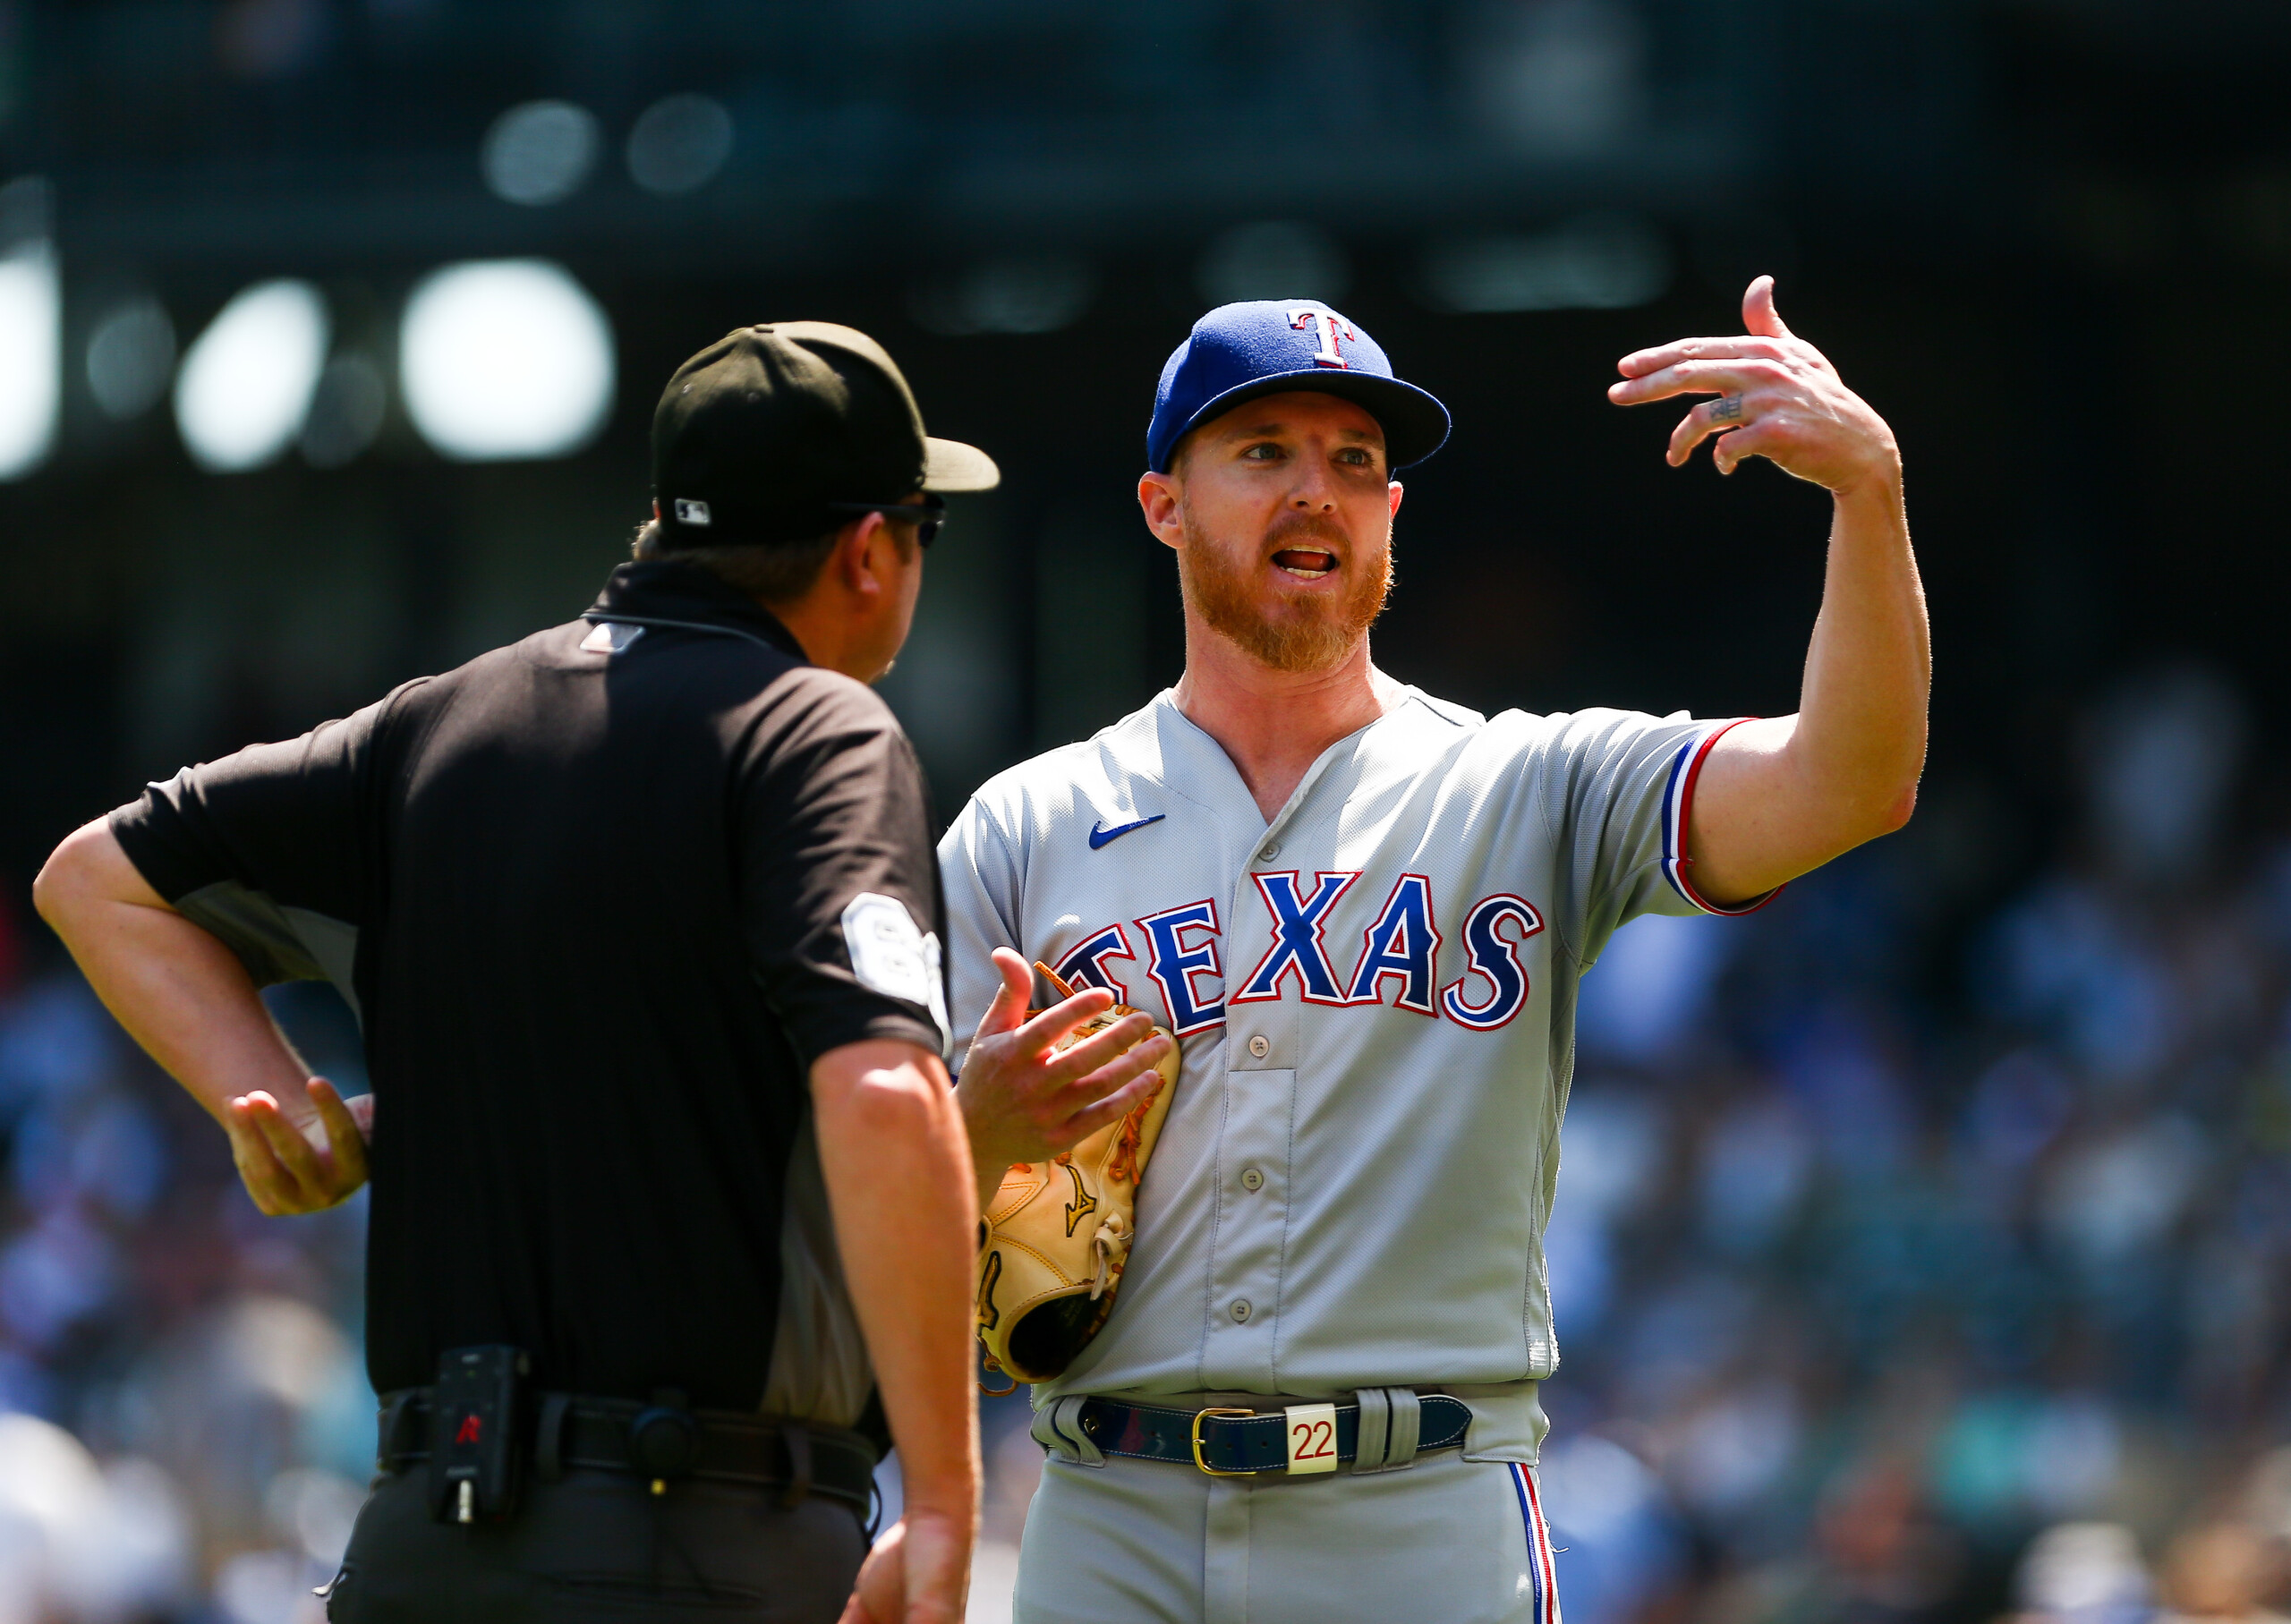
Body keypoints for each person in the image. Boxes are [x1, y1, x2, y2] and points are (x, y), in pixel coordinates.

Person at [940, 282, 1928, 1622]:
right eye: (1265, 452)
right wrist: (973, 1130)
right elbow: (883, 1206)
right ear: (1164, 505)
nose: (1318, 492)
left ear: (1392, 515)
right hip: (1116, 1514)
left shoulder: (1528, 783)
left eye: (1356, 462)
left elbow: (1849, 779)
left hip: (1422, 1513)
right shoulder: (1029, 823)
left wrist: (1867, 496)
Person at [34, 323, 996, 1624]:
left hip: (427, 1543)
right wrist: (943, 1503)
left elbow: (95, 876)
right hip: (697, 1546)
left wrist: (280, 1105)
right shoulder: (813, 729)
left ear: (661, 521)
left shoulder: (441, 722)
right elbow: (883, 1095)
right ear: (872, 550)